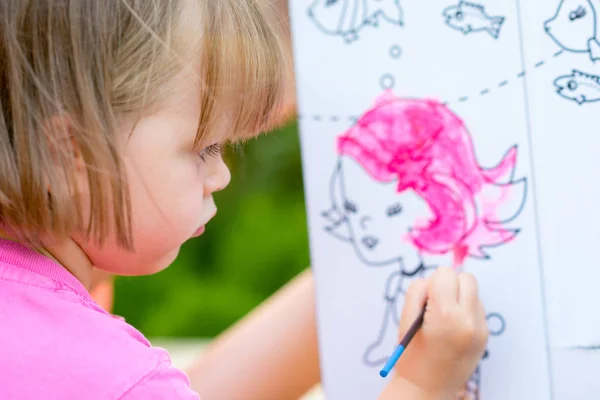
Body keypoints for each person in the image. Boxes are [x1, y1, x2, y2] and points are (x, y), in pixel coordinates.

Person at [0, 1, 489, 399]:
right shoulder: (115, 377)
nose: (222, 175)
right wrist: (421, 386)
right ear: (71, 156)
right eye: (203, 147)